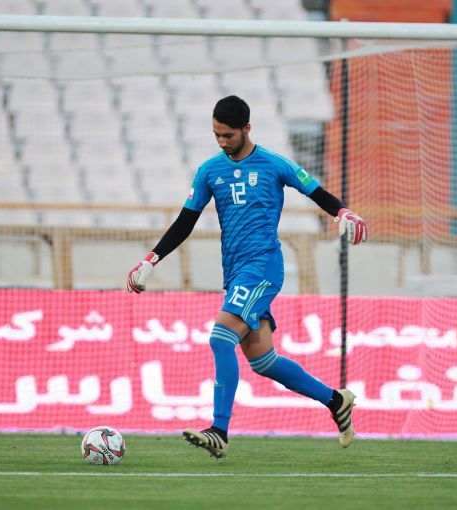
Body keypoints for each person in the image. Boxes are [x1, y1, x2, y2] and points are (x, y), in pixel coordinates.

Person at [126, 95, 367, 459]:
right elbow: (186, 221)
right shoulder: (209, 171)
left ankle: (219, 430)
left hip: (263, 267)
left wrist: (343, 212)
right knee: (263, 361)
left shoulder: (273, 164)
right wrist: (151, 259)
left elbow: (315, 191)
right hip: (236, 272)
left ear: (247, 129)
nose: (222, 142)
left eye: (228, 135)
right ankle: (337, 401)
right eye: (216, 135)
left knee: (221, 337)